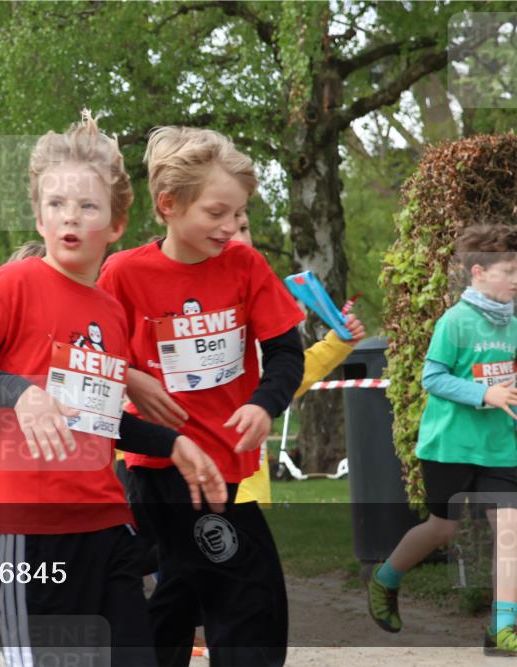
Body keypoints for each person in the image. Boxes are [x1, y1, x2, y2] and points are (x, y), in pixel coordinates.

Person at [0, 111, 226, 666]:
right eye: (56, 205)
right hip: (30, 521)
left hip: (104, 518)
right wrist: (19, 391)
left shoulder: (112, 311)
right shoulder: (16, 282)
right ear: (39, 218)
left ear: (115, 224)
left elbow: (95, 417)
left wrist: (173, 444)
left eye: (87, 206)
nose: (70, 217)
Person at [97, 125, 307, 666]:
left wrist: (264, 403)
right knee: (249, 591)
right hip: (162, 464)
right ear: (169, 205)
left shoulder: (245, 265)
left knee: (185, 586)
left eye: (238, 215)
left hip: (230, 460)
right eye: (216, 213)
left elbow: (286, 351)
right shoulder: (122, 273)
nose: (231, 227)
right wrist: (129, 377)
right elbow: (89, 357)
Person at [366, 224, 517, 655]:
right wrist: (483, 393)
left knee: (510, 530)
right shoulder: (455, 322)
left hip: (499, 447)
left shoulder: (514, 326)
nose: (515, 279)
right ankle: (386, 577)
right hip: (451, 446)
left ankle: (502, 628)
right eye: (507, 270)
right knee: (442, 528)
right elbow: (433, 378)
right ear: (477, 273)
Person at [232, 218, 367, 505]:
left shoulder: (256, 304)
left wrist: (337, 344)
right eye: (219, 219)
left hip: (249, 492)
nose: (241, 240)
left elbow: (282, 379)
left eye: (244, 227)